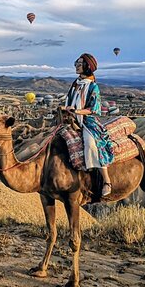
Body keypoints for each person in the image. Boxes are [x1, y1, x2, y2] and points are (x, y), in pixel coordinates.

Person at [63, 53, 114, 196]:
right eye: (76, 63)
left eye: (80, 64)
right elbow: (69, 101)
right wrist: (66, 108)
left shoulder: (93, 87)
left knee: (91, 144)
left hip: (88, 121)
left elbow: (94, 109)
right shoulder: (75, 83)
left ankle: (106, 181)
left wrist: (77, 111)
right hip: (71, 118)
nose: (77, 66)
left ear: (87, 67)